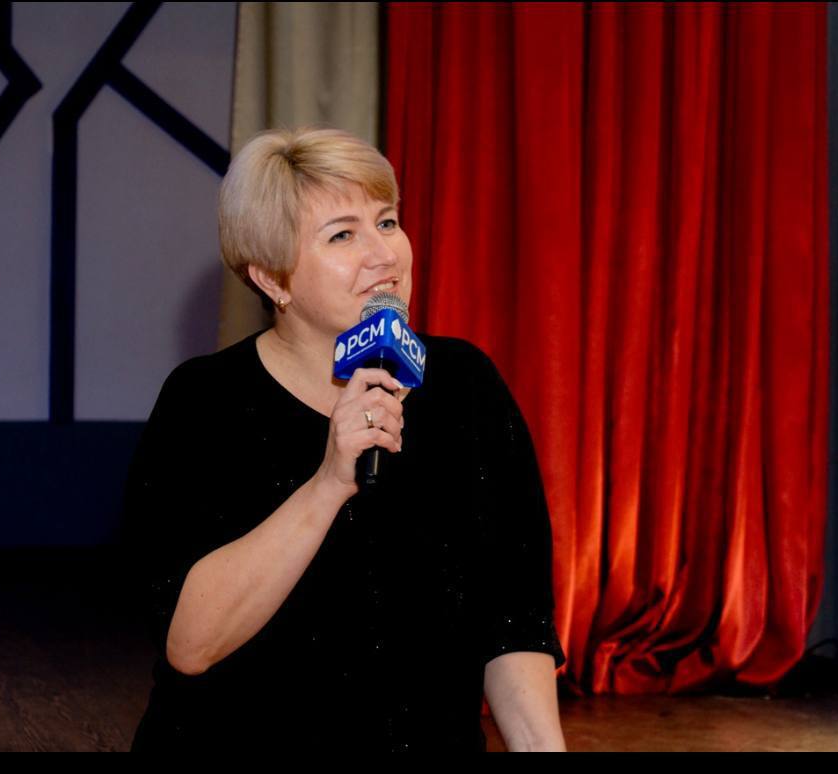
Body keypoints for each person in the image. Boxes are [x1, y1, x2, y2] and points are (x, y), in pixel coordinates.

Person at [122, 127, 566, 752]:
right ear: (273, 279)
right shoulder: (205, 401)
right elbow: (190, 644)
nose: (384, 254)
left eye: (386, 222)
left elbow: (514, 621)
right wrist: (329, 482)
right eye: (342, 235)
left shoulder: (467, 385)